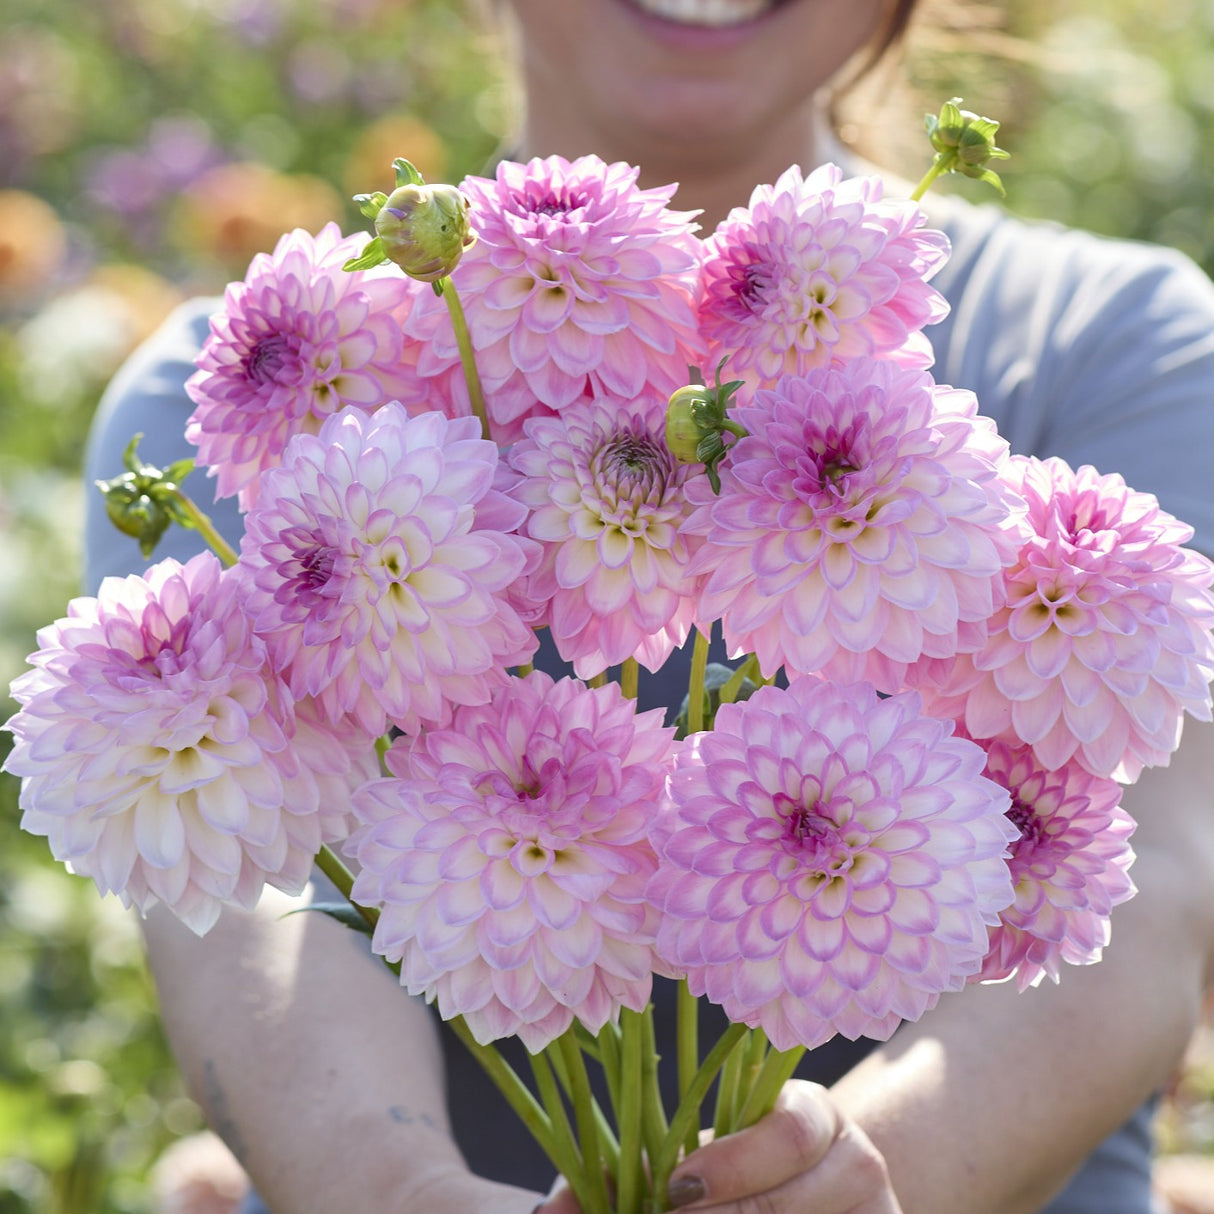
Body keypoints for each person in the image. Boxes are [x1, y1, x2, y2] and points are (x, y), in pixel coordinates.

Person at [82, 1, 1214, 1211]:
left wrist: (874, 1177)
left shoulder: (1115, 344)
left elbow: (1147, 874)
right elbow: (245, 896)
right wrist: (391, 1186)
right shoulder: (253, 388)